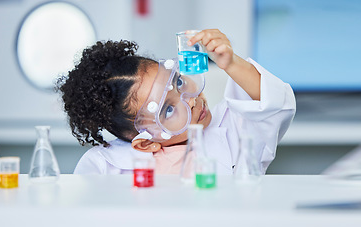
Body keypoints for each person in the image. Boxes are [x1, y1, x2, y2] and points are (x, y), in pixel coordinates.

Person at [57, 29, 296, 175]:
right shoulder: (105, 166)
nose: (191, 101)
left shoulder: (232, 129)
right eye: (168, 109)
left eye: (179, 82)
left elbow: (274, 106)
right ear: (144, 143)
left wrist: (231, 63)